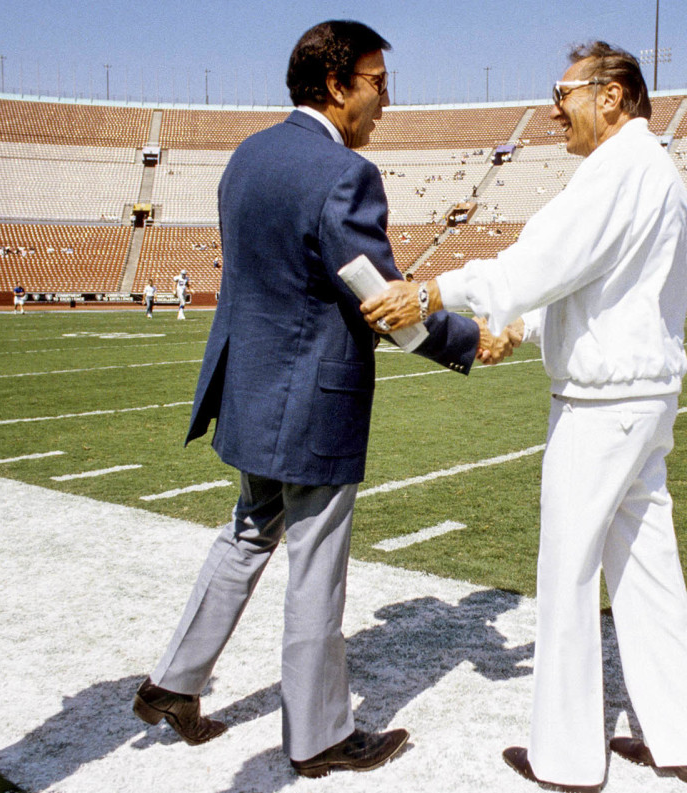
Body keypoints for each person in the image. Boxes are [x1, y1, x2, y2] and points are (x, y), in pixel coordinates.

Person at [133, 20, 482, 779]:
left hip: (251, 390)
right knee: (315, 563)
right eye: (377, 83)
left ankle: (172, 683)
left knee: (248, 533)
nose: (386, 101)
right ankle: (320, 734)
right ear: (336, 86)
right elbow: (382, 305)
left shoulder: (248, 156)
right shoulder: (344, 175)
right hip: (311, 400)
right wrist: (466, 340)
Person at [363, 41, 687, 792]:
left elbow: (536, 262)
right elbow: (588, 279)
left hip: (601, 402)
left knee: (568, 571)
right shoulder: (660, 174)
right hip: (647, 397)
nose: (554, 107)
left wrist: (430, 293)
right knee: (649, 568)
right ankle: (682, 741)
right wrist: (519, 321)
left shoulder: (615, 171)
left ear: (611, 95)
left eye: (563, 91)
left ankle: (566, 757)